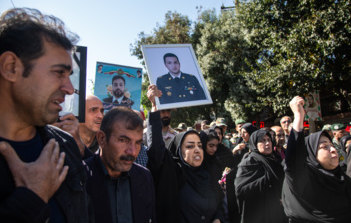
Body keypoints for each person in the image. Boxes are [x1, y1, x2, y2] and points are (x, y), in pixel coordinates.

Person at [0, 8, 92, 222]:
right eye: (58, 72)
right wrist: (31, 199)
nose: (69, 88)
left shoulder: (65, 145)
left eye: (69, 75)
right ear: (10, 67)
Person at [146, 85, 224, 223]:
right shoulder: (172, 174)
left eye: (200, 145)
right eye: (190, 146)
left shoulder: (207, 175)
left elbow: (219, 204)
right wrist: (154, 106)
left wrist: (218, 219)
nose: (197, 149)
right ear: (179, 152)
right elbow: (156, 150)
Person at [282, 96, 351, 222]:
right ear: (311, 154)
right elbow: (294, 158)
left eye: (331, 145)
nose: (333, 149)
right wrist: (298, 116)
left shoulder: (342, 179)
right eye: (325, 147)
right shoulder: (305, 179)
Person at [84, 107, 156, 223]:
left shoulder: (144, 177)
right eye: (123, 140)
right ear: (102, 138)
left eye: (138, 143)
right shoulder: (79, 177)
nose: (132, 151)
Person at [235, 130, 286, 223]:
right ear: (255, 143)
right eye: (262, 140)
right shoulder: (248, 162)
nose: (267, 143)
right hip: (258, 213)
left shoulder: (274, 160)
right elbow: (240, 189)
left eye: (269, 140)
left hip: (277, 212)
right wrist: (267, 180)